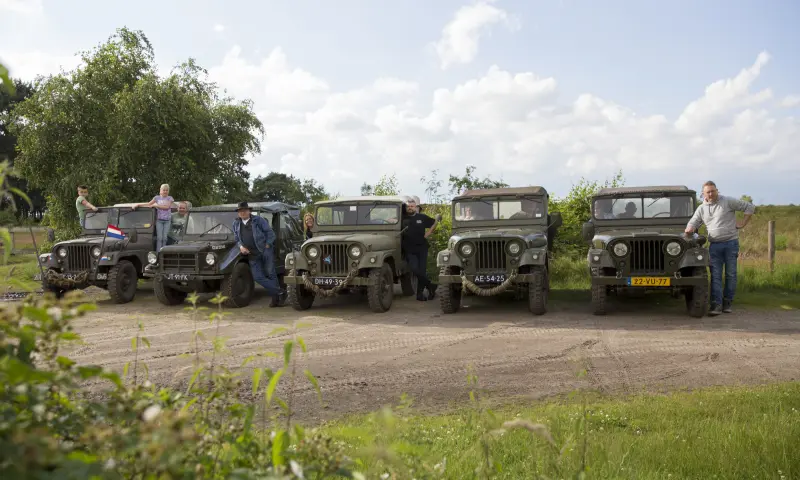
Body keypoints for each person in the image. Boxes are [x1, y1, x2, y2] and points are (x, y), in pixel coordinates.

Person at [685, 180, 755, 316]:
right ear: (703, 194)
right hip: (714, 246)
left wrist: (743, 223)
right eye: (708, 192)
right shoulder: (701, 208)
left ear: (717, 191)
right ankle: (716, 305)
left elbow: (749, 207)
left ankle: (727, 303)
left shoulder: (728, 201)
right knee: (715, 276)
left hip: (731, 243)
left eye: (713, 191)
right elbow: (693, 222)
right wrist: (689, 229)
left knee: (730, 274)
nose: (711, 194)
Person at [232, 201, 287, 307]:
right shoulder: (236, 223)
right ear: (238, 213)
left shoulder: (258, 220)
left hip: (265, 250)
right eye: (240, 211)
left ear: (249, 211)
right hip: (251, 254)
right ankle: (280, 292)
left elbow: (270, 233)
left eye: (244, 210)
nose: (242, 212)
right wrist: (241, 247)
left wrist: (267, 245)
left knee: (270, 273)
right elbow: (236, 239)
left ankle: (275, 299)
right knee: (257, 277)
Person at [402, 198, 438, 301]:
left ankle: (420, 295)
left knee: (422, 271)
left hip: (422, 248)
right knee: (415, 269)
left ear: (416, 207)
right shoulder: (402, 218)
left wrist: (428, 233)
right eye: (408, 206)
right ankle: (431, 286)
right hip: (409, 249)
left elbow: (434, 222)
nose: (410, 208)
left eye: (412, 206)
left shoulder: (422, 217)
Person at [133, 184, 174, 252]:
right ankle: (158, 252)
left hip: (167, 220)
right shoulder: (157, 198)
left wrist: (156, 205)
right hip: (159, 220)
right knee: (159, 238)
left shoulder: (170, 198)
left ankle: (164, 251)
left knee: (165, 238)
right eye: (164, 190)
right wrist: (138, 205)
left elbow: (167, 207)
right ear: (160, 190)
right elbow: (149, 204)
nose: (165, 191)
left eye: (167, 190)